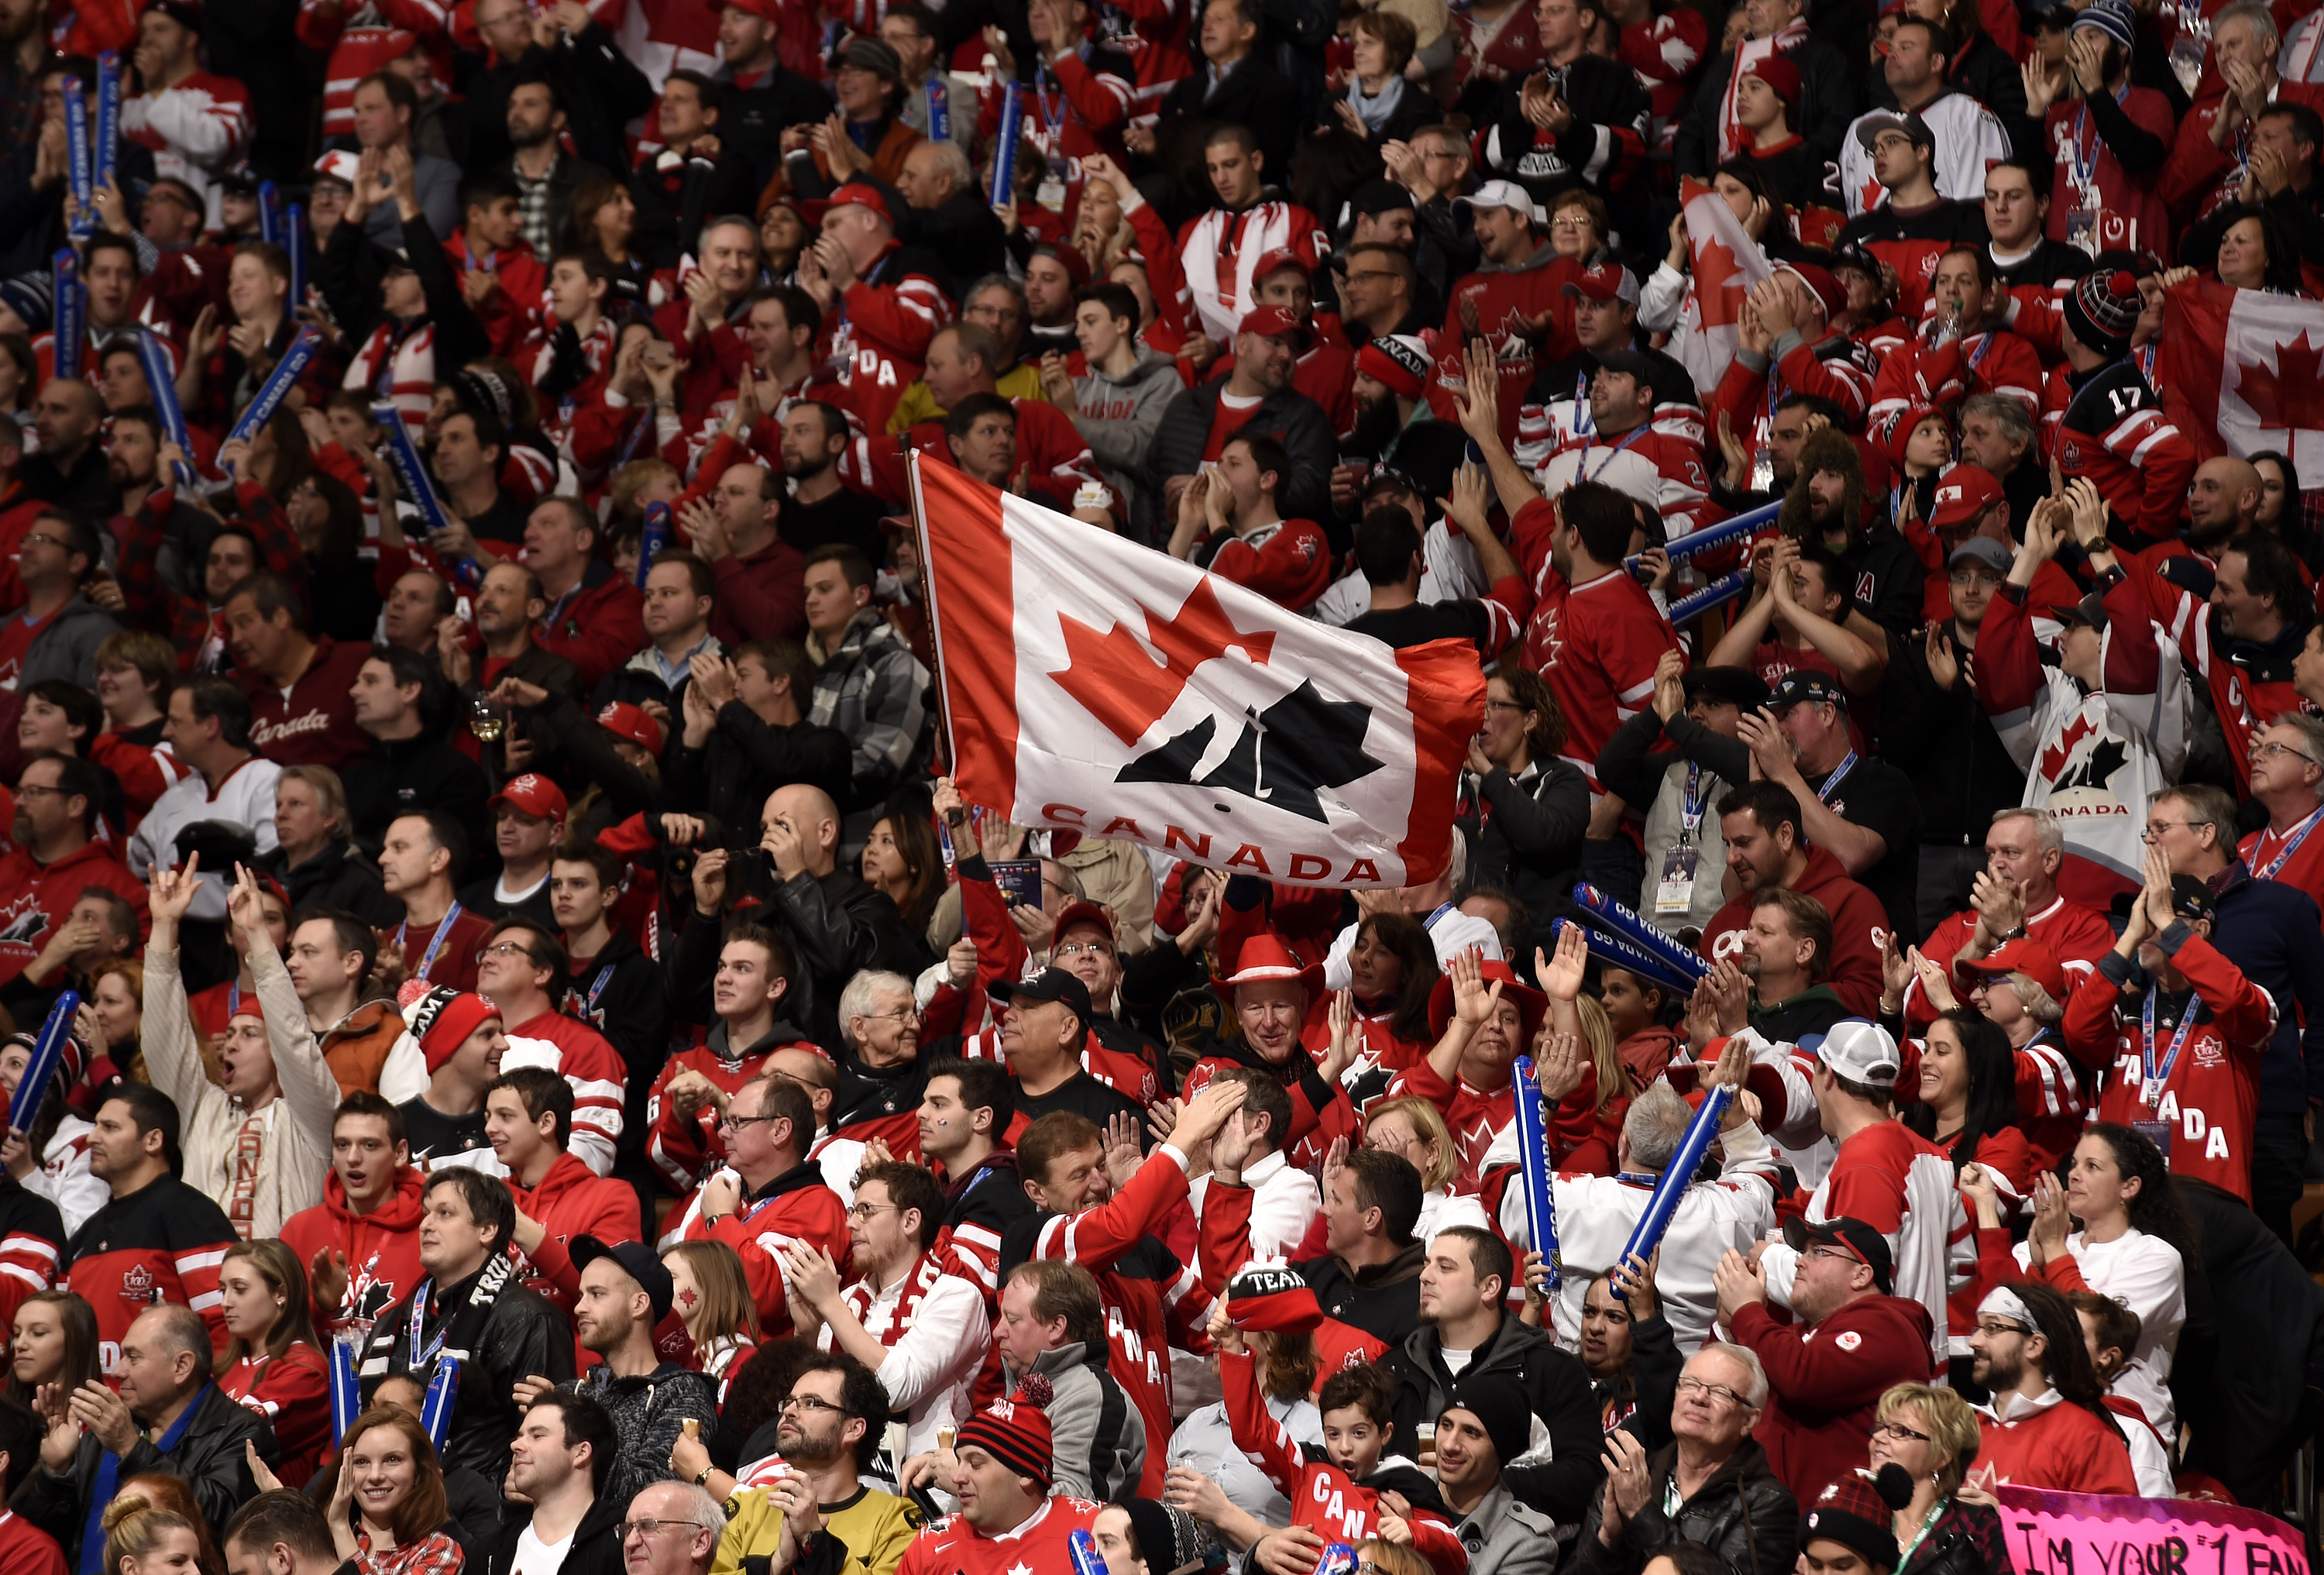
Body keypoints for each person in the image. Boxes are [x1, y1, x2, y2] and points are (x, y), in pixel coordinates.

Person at [143, 860, 341, 1239]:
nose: (231, 1041)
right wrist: (165, 927)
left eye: (250, 1034)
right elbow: (164, 1039)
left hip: (282, 1286)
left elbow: (296, 1041)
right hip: (204, 1285)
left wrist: (257, 935)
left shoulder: (309, 1118)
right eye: (230, 1032)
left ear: (276, 1053)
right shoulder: (204, 1110)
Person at [2060, 858, 2274, 1205]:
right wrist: (2130, 936)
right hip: (2129, 1210)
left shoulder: (2236, 1006)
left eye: (2160, 916)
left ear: (2201, 931)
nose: (2148, 926)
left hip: (2212, 1208)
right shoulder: (2126, 1010)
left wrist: (2170, 930)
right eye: (2143, 914)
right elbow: (2077, 1030)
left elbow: (2236, 1000)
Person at [358, 1167, 576, 1492]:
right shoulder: (392, 1323)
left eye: (445, 1214)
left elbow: (543, 1449)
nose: (426, 1225)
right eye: (426, 1214)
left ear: (487, 1230)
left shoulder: (530, 1319)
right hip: (386, 1501)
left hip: (479, 1513)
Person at [13, 1304, 280, 1564]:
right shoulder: (108, 1428)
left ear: (181, 1366)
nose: (118, 1371)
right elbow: (51, 1540)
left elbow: (226, 1526)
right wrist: (57, 1472)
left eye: (133, 1357)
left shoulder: (242, 1433)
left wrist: (132, 1449)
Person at [1382, 1225, 1601, 1522]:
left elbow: (1585, 1478)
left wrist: (1487, 1482)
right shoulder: (1392, 1369)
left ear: (1490, 1287)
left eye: (1444, 1267)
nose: (1425, 1276)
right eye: (1426, 1265)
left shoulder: (1551, 1371)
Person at [1714, 1216, 1938, 1505]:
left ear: (1861, 1275)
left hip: (1834, 1529)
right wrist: (1728, 1328)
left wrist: (1747, 1310)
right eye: (1803, 1252)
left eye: (1818, 1252)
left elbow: (1800, 1376)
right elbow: (1721, 1386)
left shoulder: (1890, 1327)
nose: (1798, 1262)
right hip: (1765, 1517)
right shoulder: (1801, 1335)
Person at [779, 1159, 987, 1460]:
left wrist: (829, 1304)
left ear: (910, 1221)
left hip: (922, 1489)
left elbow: (897, 1390)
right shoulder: (848, 1298)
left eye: (866, 1211)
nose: (851, 1223)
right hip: (839, 1476)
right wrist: (807, 1333)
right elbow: (810, 1405)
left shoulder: (955, 1296)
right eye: (852, 1211)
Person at [526, 1237, 716, 1512]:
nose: (579, 1307)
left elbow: (656, 1493)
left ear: (638, 1304)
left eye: (597, 1294)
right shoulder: (569, 1395)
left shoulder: (682, 1392)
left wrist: (564, 1438)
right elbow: (517, 1491)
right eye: (581, 1295)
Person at [1573, 1343, 1796, 1575]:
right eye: (1690, 1385)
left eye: (1721, 1392)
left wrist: (1642, 1514)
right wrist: (1606, 1540)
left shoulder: (1768, 1504)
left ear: (1749, 1421)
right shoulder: (1634, 1479)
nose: (1699, 1397)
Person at [60, 1082, 241, 1370]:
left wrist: (209, 1412)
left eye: (110, 1127)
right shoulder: (85, 1233)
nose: (92, 1137)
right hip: (85, 1408)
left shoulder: (189, 1213)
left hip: (169, 1413)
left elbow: (228, 1327)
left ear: (153, 1140)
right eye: (95, 1126)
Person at [691, 1353, 923, 1572]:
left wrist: (817, 1544)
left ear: (854, 1429)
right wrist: (773, 1568)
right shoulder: (746, 1509)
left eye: (811, 1403)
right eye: (790, 1402)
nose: (790, 1411)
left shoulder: (895, 1520)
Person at [677, 1075, 851, 1341]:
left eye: (737, 1122)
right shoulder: (728, 1197)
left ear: (780, 1131)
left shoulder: (817, 1205)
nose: (722, 1132)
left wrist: (720, 1219)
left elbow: (766, 1295)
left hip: (760, 1372)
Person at [895, 1380, 1103, 1575]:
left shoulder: (1096, 1529)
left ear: (1025, 1473)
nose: (957, 1477)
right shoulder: (931, 1544)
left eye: (976, 1464)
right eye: (960, 1462)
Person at [488, 1068, 639, 1318]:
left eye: (505, 1116)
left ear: (546, 1123)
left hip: (575, 1352)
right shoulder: (490, 1198)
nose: (489, 1127)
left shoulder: (611, 1197)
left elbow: (610, 1296)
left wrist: (523, 1230)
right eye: (488, 1116)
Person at [278, 1094, 428, 1342]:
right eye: (342, 1145)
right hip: (317, 1377)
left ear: (400, 1153)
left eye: (370, 1145)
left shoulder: (427, 1229)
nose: (352, 1158)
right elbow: (276, 1334)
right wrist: (323, 1307)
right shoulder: (300, 1230)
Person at [1965, 1282, 2137, 1492]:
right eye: (1978, 1328)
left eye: (1992, 1328)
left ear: (2035, 1345)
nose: (1974, 1341)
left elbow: (2112, 1523)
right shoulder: (1965, 1432)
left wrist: (2005, 1516)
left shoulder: (2088, 1438)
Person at [214, 1240, 331, 1489]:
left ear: (281, 1294)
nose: (226, 1302)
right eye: (223, 1290)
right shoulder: (225, 1366)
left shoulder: (306, 1370)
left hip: (277, 1517)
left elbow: (235, 1437)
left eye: (240, 1289)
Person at [1863, 1383, 2009, 1575]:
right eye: (1880, 1427)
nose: (1880, 1437)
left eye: (1900, 1430)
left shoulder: (1979, 1527)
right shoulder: (1860, 1514)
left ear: (1942, 1455)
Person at [1432, 1375, 1562, 1575]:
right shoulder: (1396, 1494)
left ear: (1501, 1450)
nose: (1449, 1445)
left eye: (1472, 1433)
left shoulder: (1526, 1544)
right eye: (1446, 1425)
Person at [318, 1405, 466, 1575]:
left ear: (419, 1472)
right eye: (361, 1462)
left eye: (392, 1460)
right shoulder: (320, 1542)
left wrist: (340, 1528)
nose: (375, 1476)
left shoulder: (438, 1550)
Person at [492, 1391, 624, 1575]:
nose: (515, 1445)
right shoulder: (490, 1552)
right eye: (519, 1436)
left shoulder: (626, 1545)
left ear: (581, 1452)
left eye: (537, 1436)